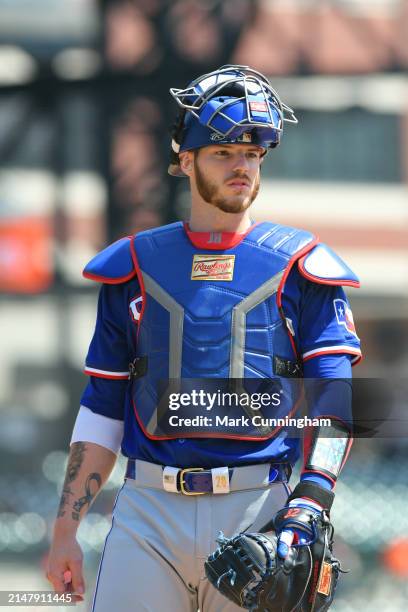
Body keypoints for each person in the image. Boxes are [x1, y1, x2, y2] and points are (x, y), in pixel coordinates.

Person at [46, 65, 362, 611]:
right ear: (185, 159)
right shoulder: (134, 265)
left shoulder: (302, 265)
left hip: (259, 510)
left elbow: (336, 400)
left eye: (253, 153)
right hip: (147, 508)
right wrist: (64, 528)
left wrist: (312, 502)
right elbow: (103, 404)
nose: (242, 166)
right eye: (224, 152)